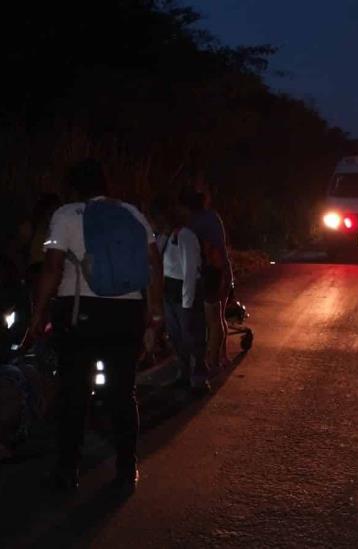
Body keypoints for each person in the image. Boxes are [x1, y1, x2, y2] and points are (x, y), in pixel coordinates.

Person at [26, 158, 164, 494]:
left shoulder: (66, 214)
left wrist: (37, 315)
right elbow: (154, 263)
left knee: (74, 392)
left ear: (73, 188)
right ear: (106, 185)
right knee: (122, 393)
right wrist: (154, 313)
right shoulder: (132, 213)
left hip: (80, 310)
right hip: (128, 312)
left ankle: (68, 470)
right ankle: (126, 468)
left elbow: (52, 268)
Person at [149, 195, 209, 392]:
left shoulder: (185, 236)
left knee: (191, 336)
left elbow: (190, 271)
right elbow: (156, 257)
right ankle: (183, 373)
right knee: (176, 336)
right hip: (170, 289)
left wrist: (187, 302)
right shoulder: (165, 237)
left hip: (185, 289)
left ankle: (199, 378)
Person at [181, 188, 232, 371]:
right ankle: (220, 356)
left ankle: (212, 360)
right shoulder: (212, 217)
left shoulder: (194, 222)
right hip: (218, 269)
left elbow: (211, 250)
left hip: (211, 271)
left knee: (212, 318)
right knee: (217, 317)